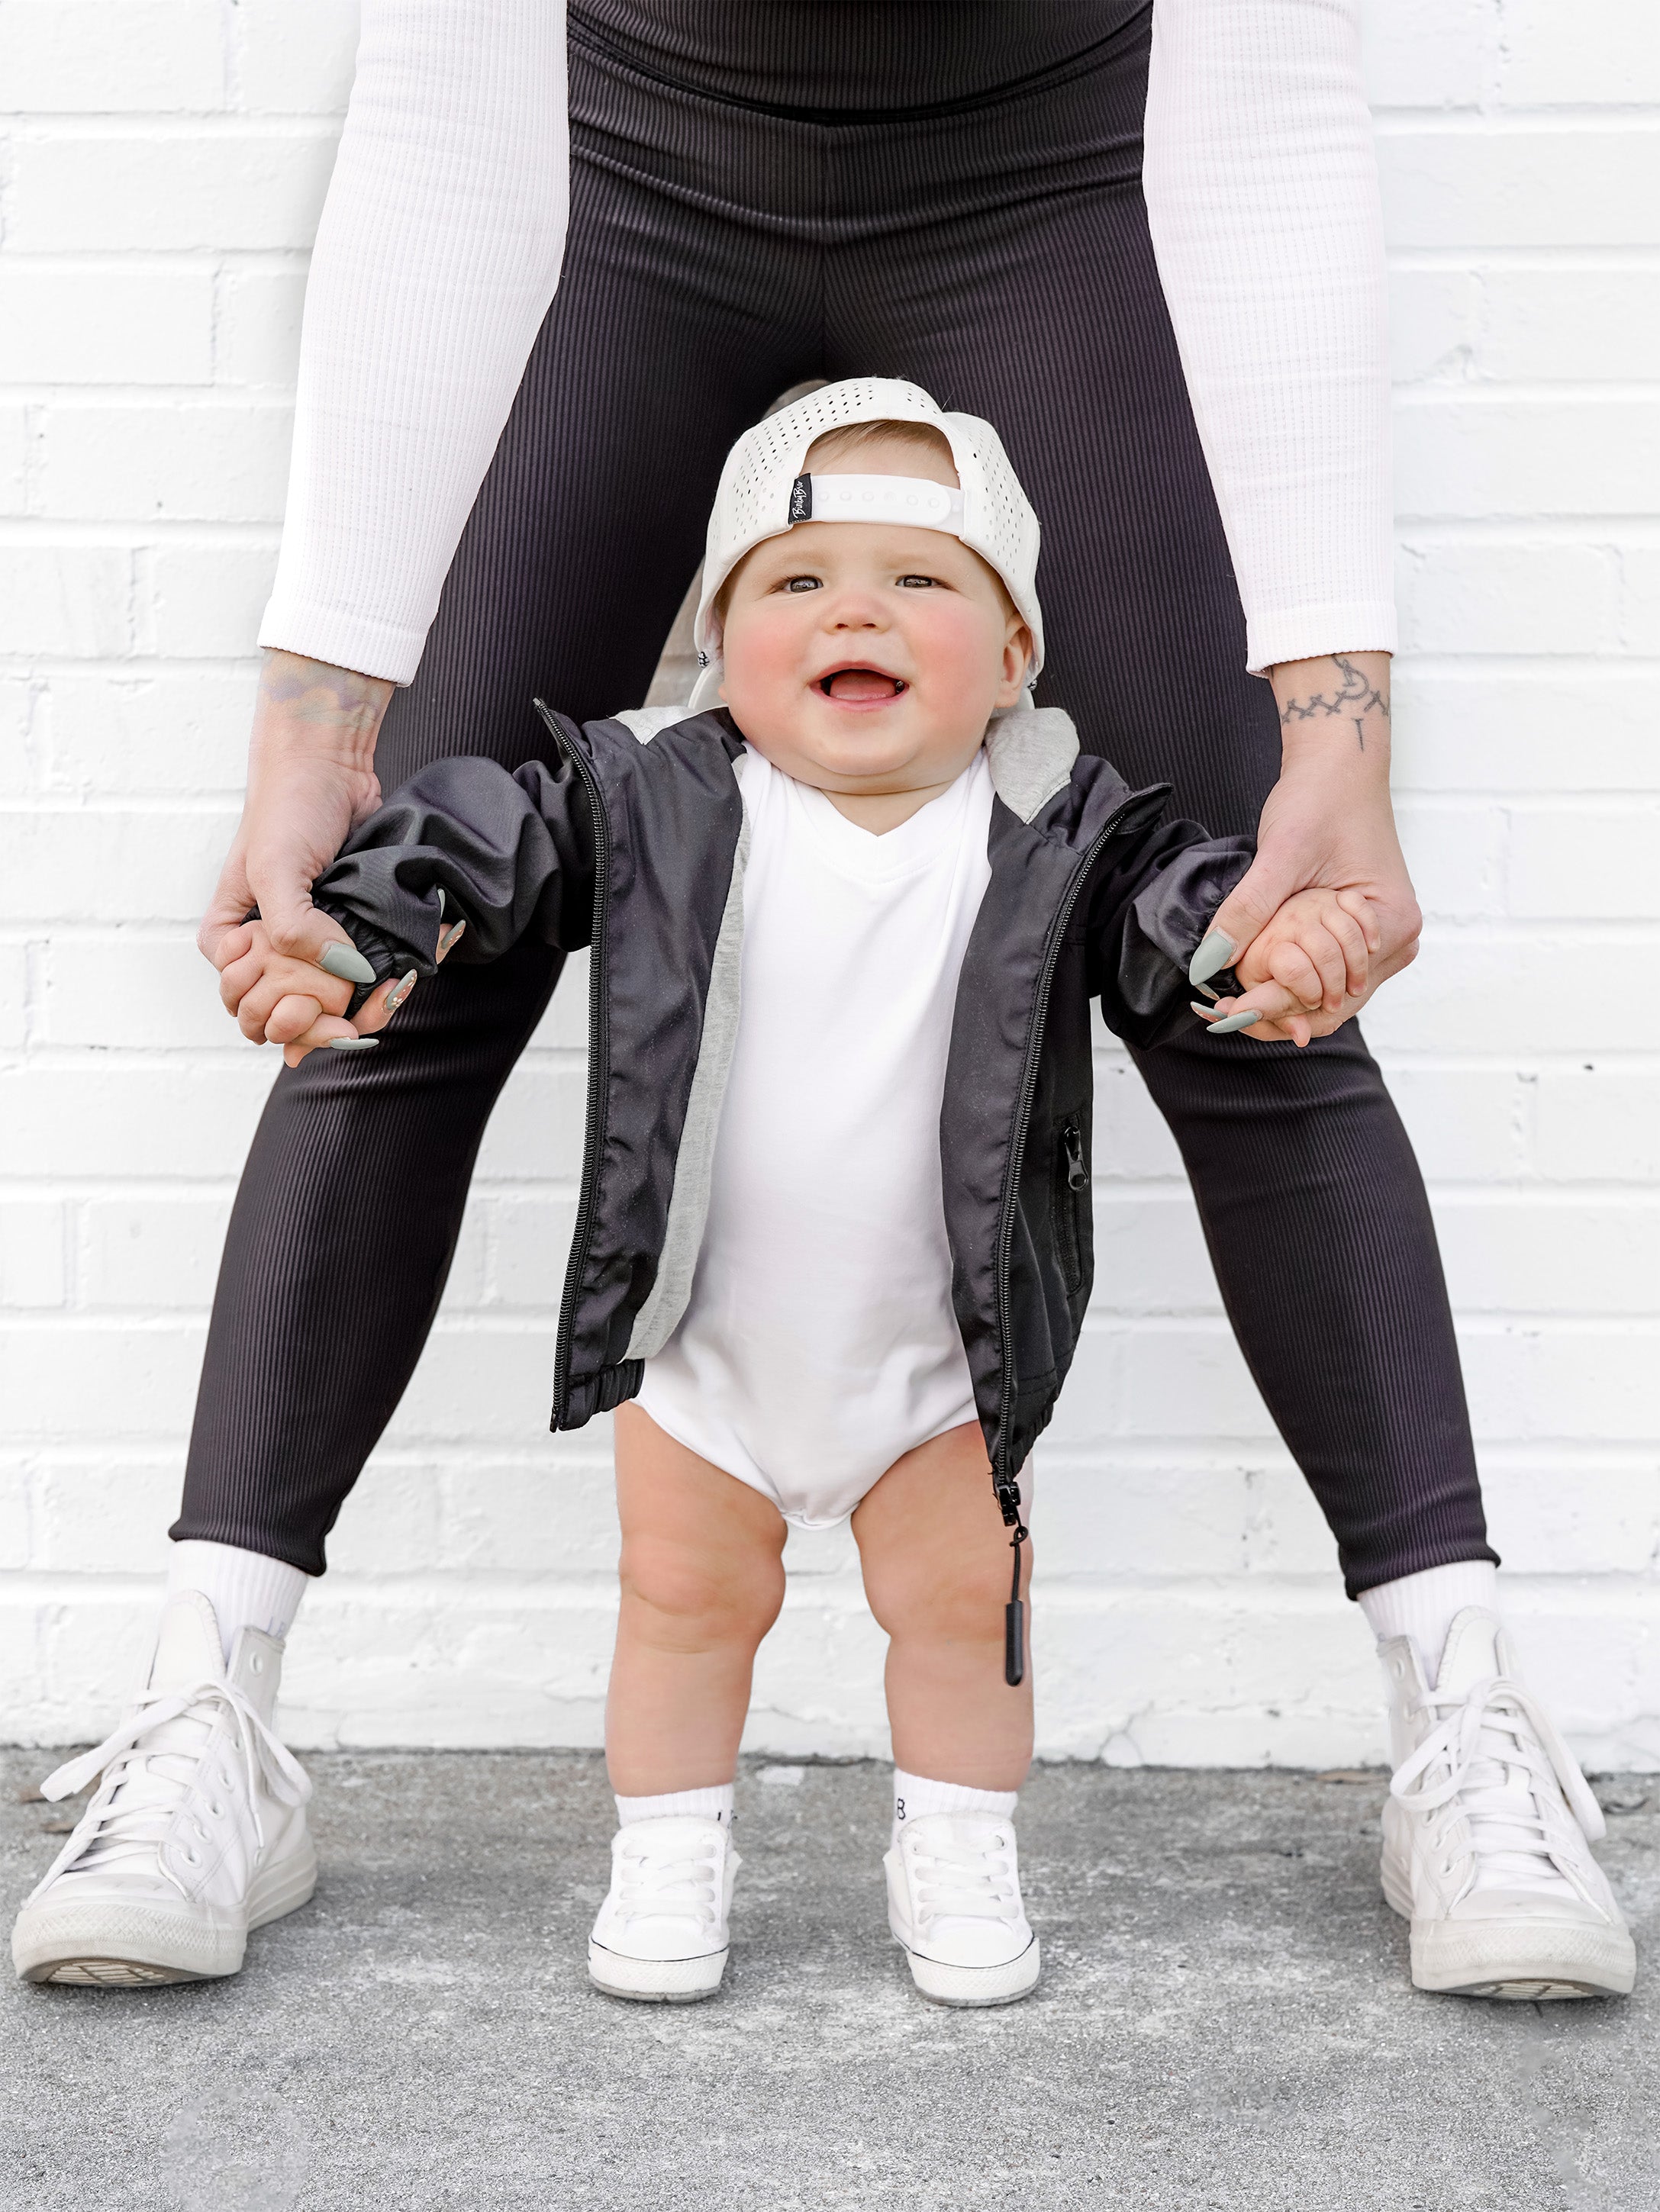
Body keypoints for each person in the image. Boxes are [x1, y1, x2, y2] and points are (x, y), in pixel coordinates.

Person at [13, 391, 1633, 2010]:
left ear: (1011, 660)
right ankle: (664, 1854)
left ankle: (958, 1847)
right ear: (721, 640)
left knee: (959, 1611)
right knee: (678, 1608)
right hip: (701, 1350)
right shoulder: (645, 792)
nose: (853, 607)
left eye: (920, 582)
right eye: (794, 583)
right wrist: (360, 922)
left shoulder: (1059, 823)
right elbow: (478, 833)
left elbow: (1183, 925)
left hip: (941, 1368)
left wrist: (1270, 951)